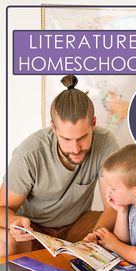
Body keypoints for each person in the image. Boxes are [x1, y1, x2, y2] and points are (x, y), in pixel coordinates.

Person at [0, 75, 119, 256]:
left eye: (82, 138)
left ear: (93, 124)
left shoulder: (106, 142)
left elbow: (113, 207)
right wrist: (14, 222)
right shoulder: (29, 153)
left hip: (77, 224)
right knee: (6, 242)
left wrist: (94, 237)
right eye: (66, 139)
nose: (75, 148)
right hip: (34, 230)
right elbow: (2, 208)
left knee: (128, 224)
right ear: (53, 128)